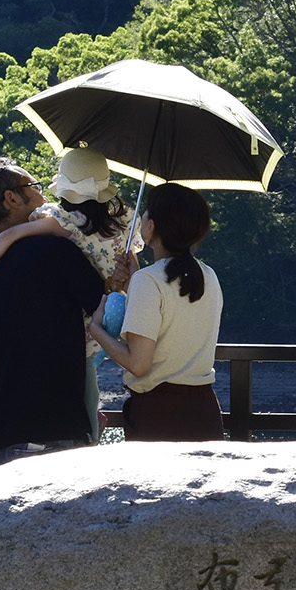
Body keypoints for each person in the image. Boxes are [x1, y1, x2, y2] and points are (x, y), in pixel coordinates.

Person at [0, 148, 142, 440]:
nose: (44, 196)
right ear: (11, 198)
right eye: (34, 187)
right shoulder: (55, 250)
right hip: (55, 427)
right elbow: (101, 301)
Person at [87, 182, 225, 441]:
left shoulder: (149, 281)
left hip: (159, 415)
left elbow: (139, 364)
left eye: (147, 212)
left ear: (152, 227)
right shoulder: (209, 275)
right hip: (205, 411)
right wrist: (134, 280)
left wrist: (96, 330)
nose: (143, 217)